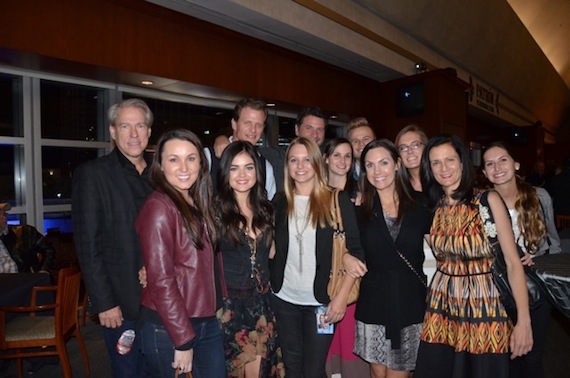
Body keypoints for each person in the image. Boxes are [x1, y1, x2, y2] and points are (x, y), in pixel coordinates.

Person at [414, 135, 533, 378]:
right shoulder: (432, 207)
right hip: (443, 306)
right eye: (436, 162)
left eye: (450, 160)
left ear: (462, 162)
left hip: (484, 306)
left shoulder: (487, 200)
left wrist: (524, 321)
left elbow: (512, 263)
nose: (443, 168)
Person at [270, 137, 366, 378]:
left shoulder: (337, 199)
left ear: (316, 163)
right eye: (294, 160)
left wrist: (341, 300)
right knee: (292, 369)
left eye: (306, 160)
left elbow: (356, 252)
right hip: (284, 299)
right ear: (287, 166)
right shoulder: (279, 202)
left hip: (321, 304)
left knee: (314, 371)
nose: (300, 166)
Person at [72, 98, 153, 378]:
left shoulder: (163, 174)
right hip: (121, 302)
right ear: (112, 131)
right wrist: (104, 302)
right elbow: (88, 246)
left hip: (161, 301)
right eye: (125, 126)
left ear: (149, 132)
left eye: (140, 125)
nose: (134, 134)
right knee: (128, 372)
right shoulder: (92, 176)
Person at [135, 129, 226, 378]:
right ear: (161, 166)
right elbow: (161, 282)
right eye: (173, 159)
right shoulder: (159, 207)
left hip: (204, 320)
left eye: (191, 158)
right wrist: (182, 340)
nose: (183, 167)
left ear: (201, 163)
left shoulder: (197, 200)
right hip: (170, 327)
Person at [353, 139, 432, 378]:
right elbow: (346, 247)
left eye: (384, 163)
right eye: (370, 165)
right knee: (378, 375)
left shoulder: (421, 204)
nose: (378, 171)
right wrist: (347, 257)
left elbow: (445, 245)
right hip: (373, 302)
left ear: (397, 164)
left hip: (409, 302)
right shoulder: (360, 208)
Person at [482, 141, 561, 378]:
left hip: (535, 286)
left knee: (532, 356)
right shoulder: (482, 203)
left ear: (516, 164)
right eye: (490, 164)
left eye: (503, 160)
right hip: (499, 289)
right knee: (505, 357)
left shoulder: (539, 196)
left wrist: (536, 258)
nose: (497, 167)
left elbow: (553, 242)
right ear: (484, 173)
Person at [214, 141, 284, 377]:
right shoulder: (214, 212)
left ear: (257, 171)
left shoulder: (267, 210)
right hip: (228, 307)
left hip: (262, 306)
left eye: (248, 167)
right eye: (234, 168)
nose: (242, 175)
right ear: (225, 172)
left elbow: (272, 253)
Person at [323, 138, 368, 377]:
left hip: (349, 287)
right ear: (326, 158)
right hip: (321, 287)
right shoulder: (315, 194)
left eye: (347, 156)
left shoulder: (362, 196)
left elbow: (361, 249)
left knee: (351, 359)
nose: (342, 161)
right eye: (337, 154)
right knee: (326, 357)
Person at [206, 98, 281, 198]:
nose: (253, 130)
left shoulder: (265, 167)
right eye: (248, 123)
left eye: (258, 125)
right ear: (234, 124)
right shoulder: (208, 157)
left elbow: (268, 204)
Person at [0, 202, 55, 274]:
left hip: (26, 281)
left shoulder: (25, 232)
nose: (5, 218)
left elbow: (49, 249)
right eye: (2, 214)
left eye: (5, 214)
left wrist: (44, 270)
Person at [395, 124, 428, 192]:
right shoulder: (397, 188)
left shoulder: (440, 178)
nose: (410, 151)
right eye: (403, 148)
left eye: (415, 145)